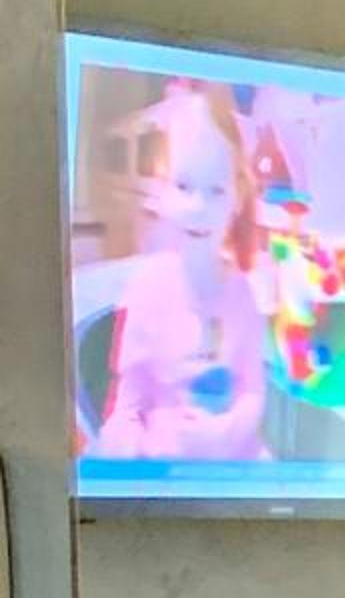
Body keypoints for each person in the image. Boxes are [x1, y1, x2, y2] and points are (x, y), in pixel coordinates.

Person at [97, 81, 272, 460]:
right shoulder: (147, 290)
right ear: (162, 190)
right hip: (166, 473)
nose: (198, 207)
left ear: (237, 196)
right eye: (183, 185)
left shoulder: (243, 293)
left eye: (216, 190)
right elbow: (126, 408)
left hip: (232, 468)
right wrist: (136, 452)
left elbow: (254, 391)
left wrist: (229, 430)